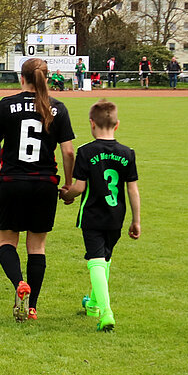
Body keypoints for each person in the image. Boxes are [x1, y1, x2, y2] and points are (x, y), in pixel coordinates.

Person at [0, 57, 76, 321]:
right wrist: (68, 183)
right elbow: (68, 151)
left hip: (13, 182)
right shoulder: (57, 108)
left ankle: (19, 283)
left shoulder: (6, 105)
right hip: (45, 184)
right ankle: (32, 306)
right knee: (37, 246)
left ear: (21, 78)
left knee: (6, 242)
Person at [61, 100, 141, 332]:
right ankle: (94, 304)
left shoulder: (86, 151)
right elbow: (132, 190)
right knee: (104, 258)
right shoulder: (128, 153)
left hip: (93, 215)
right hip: (116, 216)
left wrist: (67, 195)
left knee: (95, 261)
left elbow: (79, 187)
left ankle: (106, 312)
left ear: (91, 124)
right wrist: (136, 220)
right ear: (117, 125)